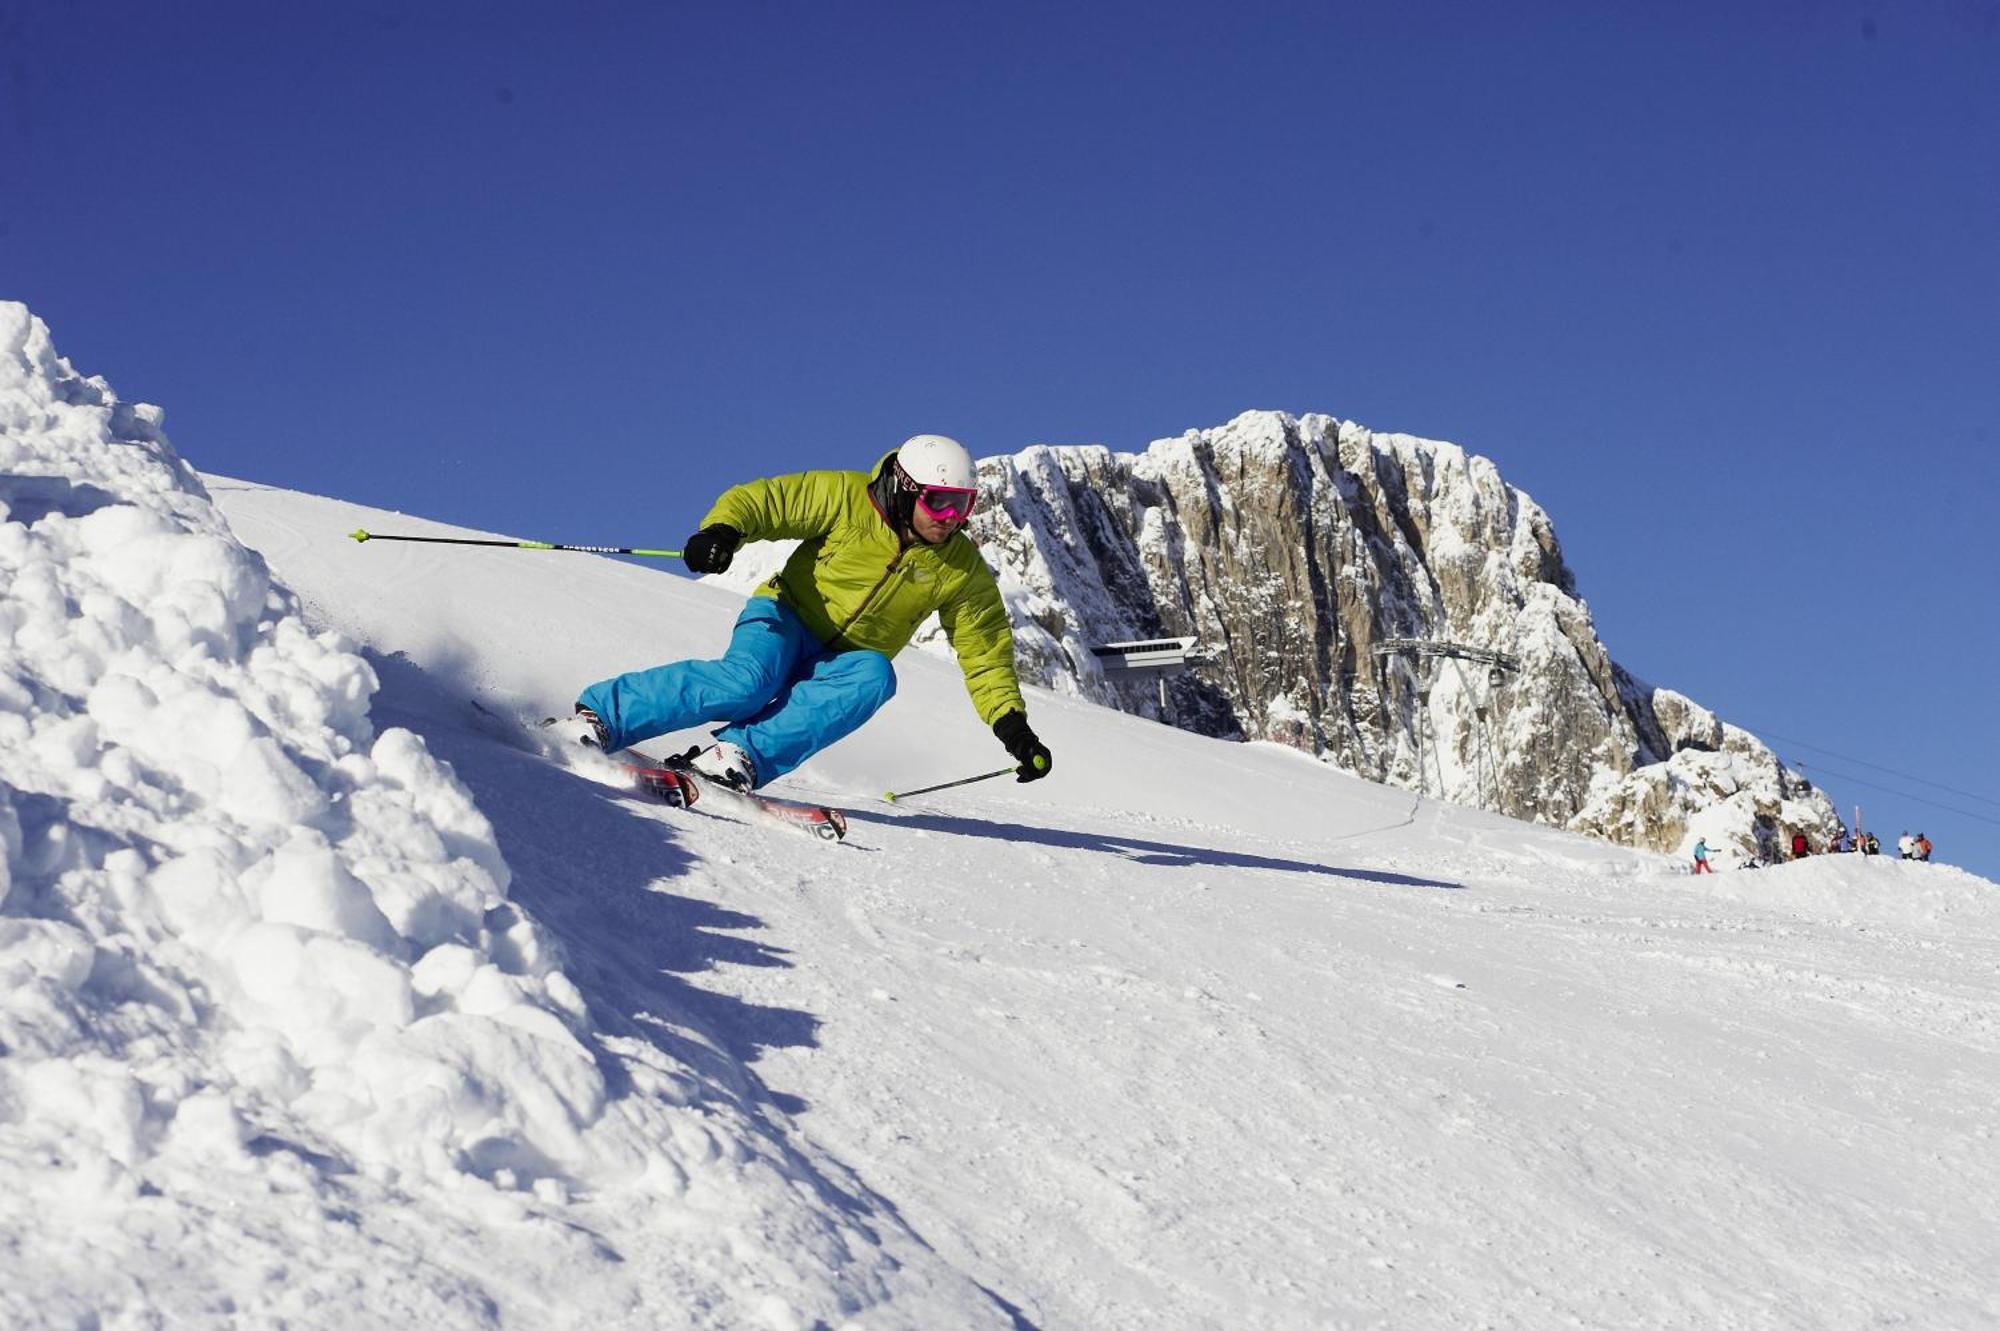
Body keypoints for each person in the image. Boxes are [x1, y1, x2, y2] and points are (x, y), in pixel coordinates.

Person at [551, 435, 1052, 791]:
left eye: (963, 507)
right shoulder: (845, 497)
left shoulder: (960, 568)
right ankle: (603, 717)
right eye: (941, 504)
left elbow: (985, 650)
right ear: (904, 487)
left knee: (876, 676)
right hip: (785, 615)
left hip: (846, 659)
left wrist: (1011, 725)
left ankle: (741, 754)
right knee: (748, 683)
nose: (952, 521)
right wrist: (721, 531)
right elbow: (765, 501)